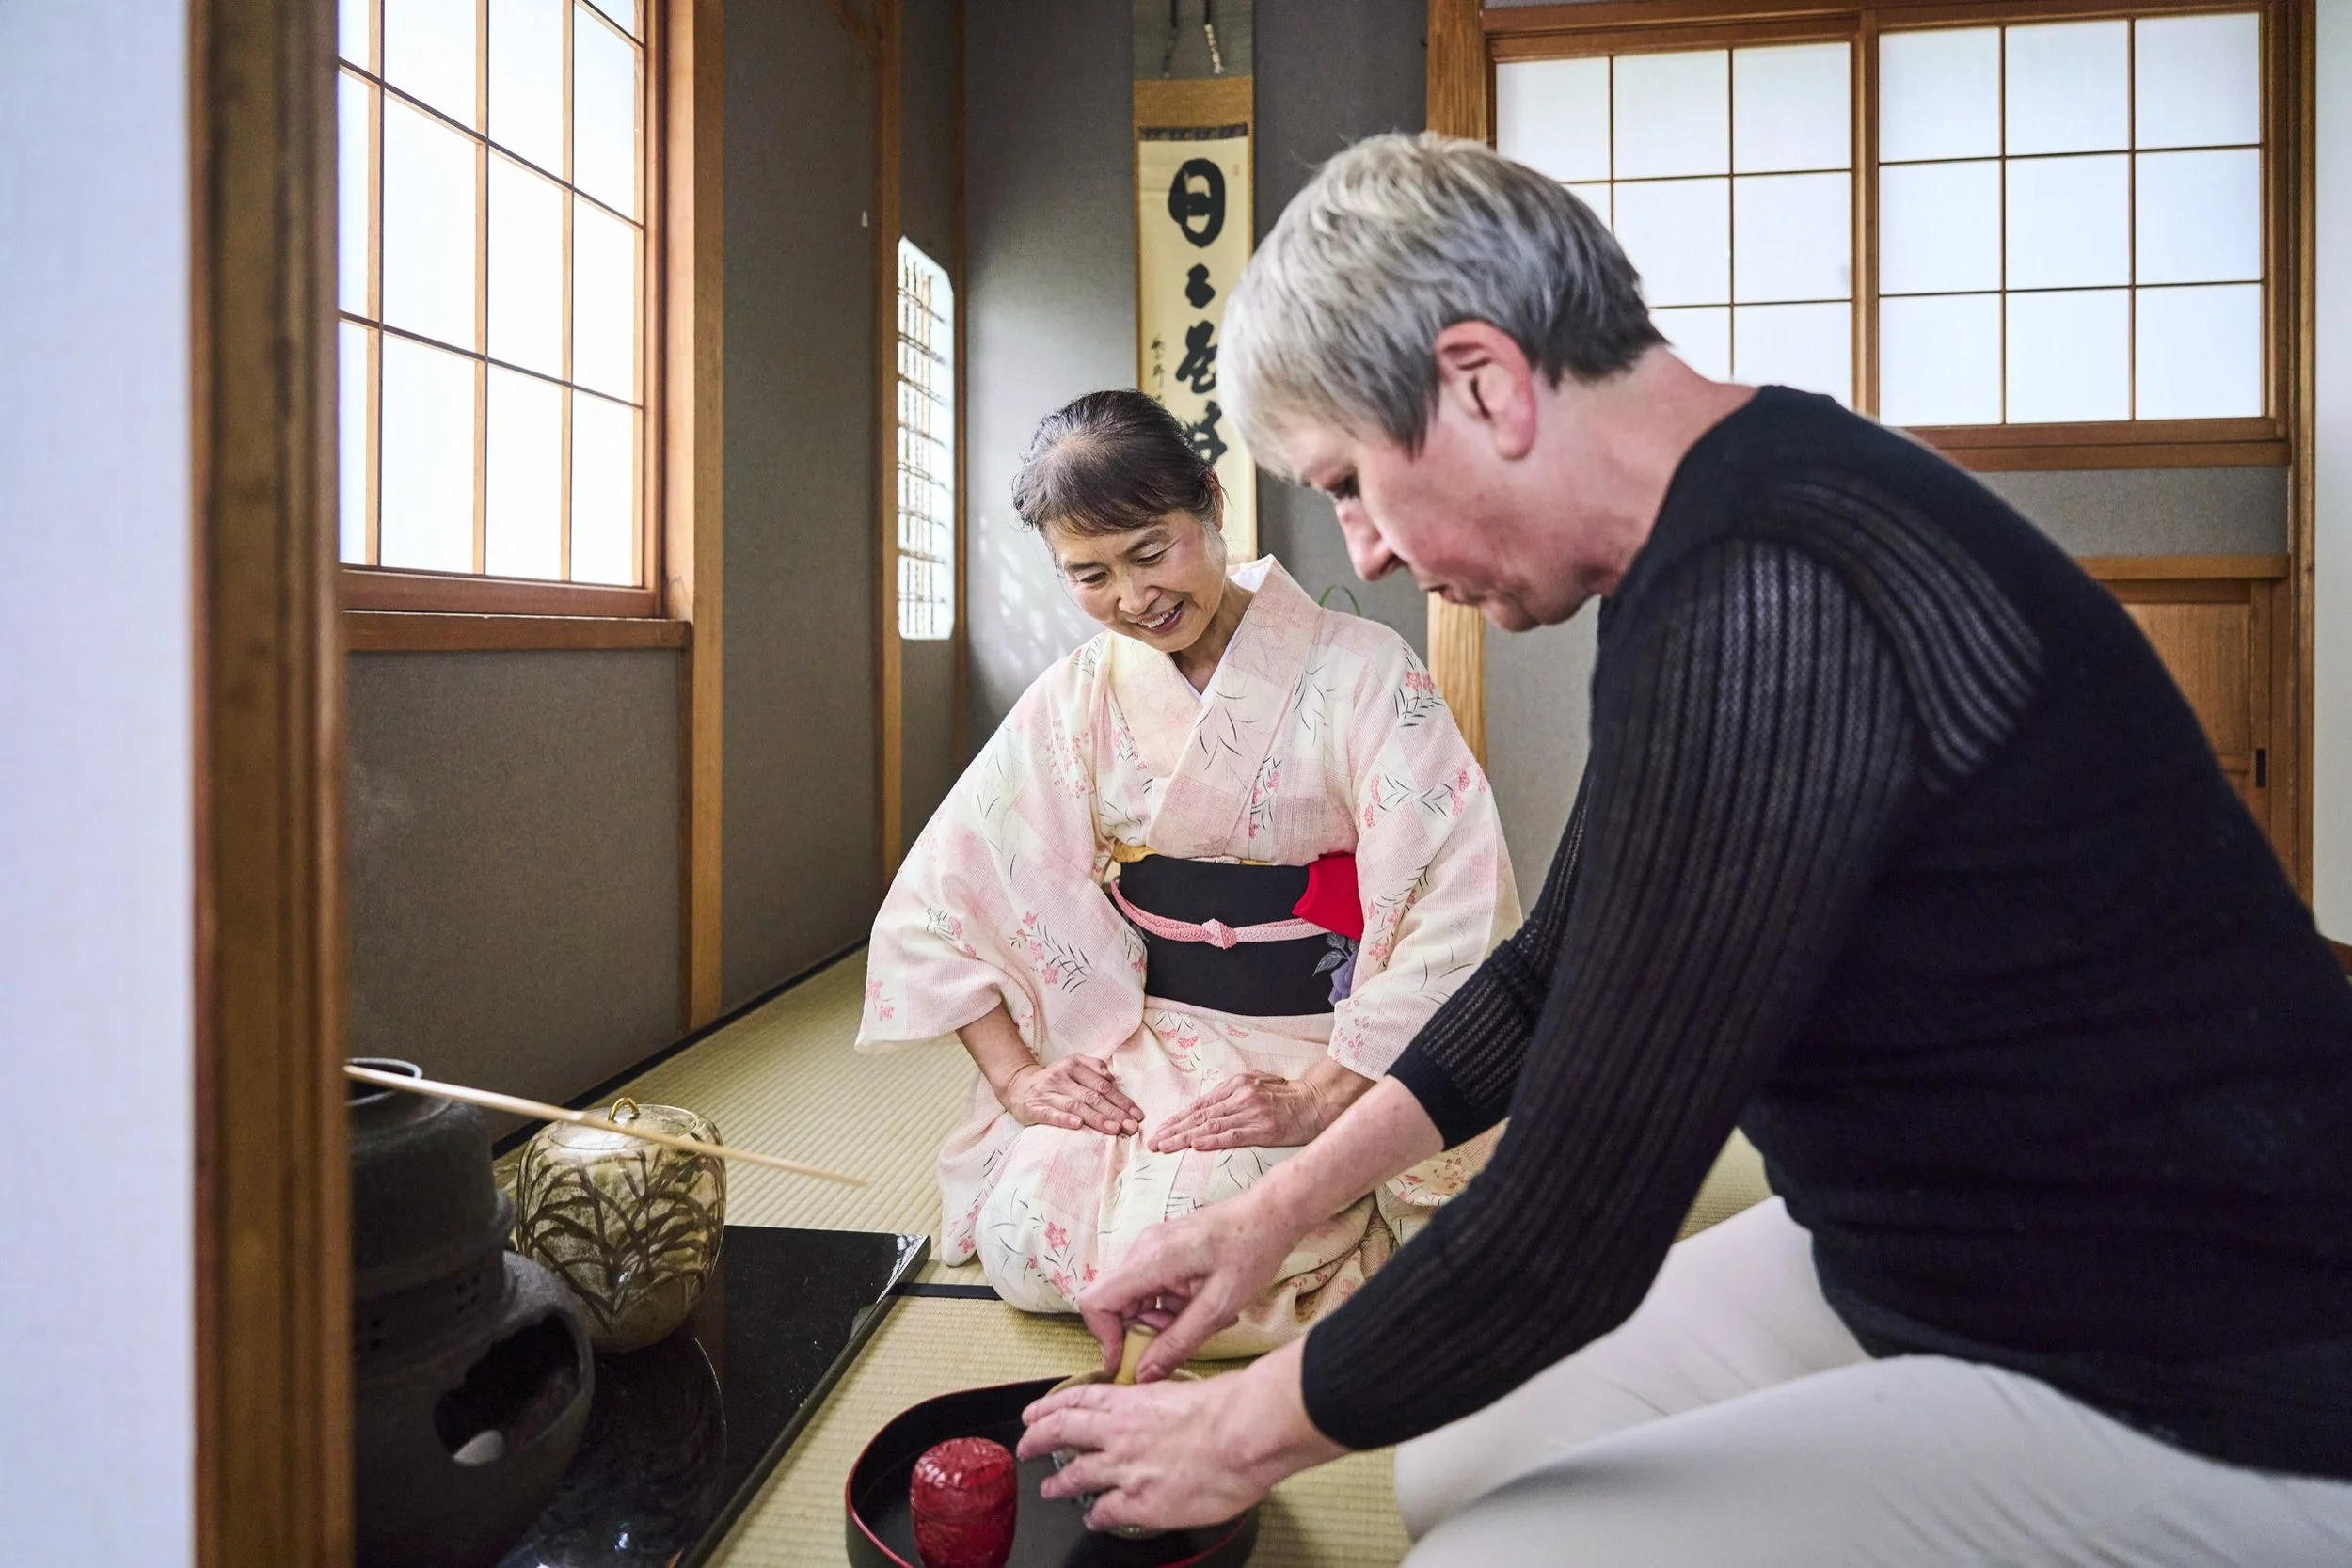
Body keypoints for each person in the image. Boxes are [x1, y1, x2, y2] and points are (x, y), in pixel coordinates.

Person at [1017, 133, 2352, 1564]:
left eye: (1351, 480)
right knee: (1460, 1459)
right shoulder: (1721, 534)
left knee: (1489, 1554)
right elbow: (1545, 978)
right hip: (1923, 1237)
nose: (1370, 549)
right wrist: (1276, 1212)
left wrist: (1232, 1432)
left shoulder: (1779, 588)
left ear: (1482, 383)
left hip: (2204, 1348)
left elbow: (1575, 1218)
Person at [856, 388, 1517, 1353]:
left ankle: (1351, 1205)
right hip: (1148, 1033)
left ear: (1210, 500)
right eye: (1089, 574)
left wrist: (1326, 1096)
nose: (1131, 597)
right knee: (1028, 1242)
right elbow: (947, 887)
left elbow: (1451, 902)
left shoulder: (1364, 669)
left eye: (1150, 550)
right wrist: (1015, 1080)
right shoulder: (1078, 695)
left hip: (1331, 1039)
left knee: (1200, 1245)